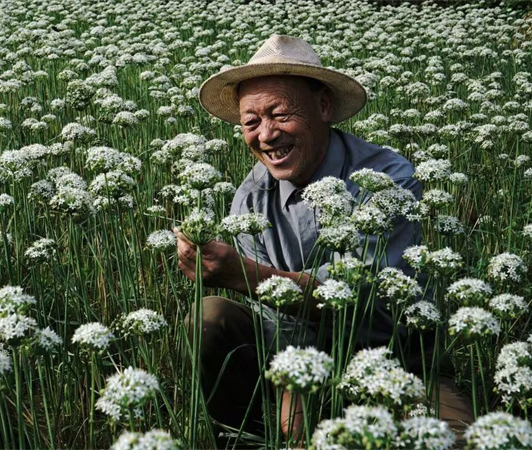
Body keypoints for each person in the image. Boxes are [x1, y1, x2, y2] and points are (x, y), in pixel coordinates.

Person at [174, 35, 472, 446]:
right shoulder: (249, 198)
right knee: (209, 317)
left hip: (398, 358)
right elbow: (278, 325)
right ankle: (243, 437)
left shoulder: (388, 179)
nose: (266, 135)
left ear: (325, 107)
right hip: (296, 349)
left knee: (454, 440)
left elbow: (372, 300)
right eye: (251, 122)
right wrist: (295, 394)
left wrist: (246, 275)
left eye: (279, 114)